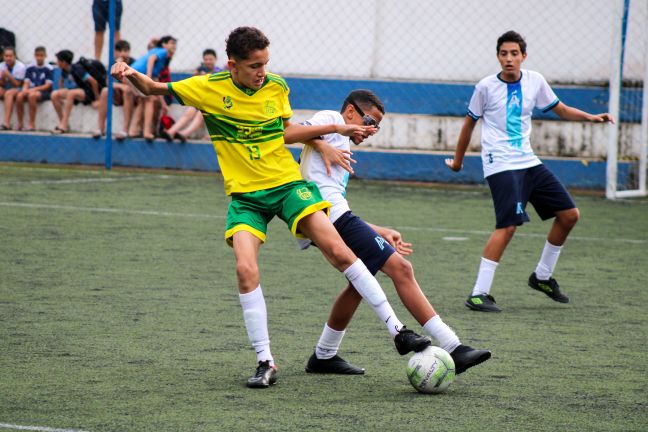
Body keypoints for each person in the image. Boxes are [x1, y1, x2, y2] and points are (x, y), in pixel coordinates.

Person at [111, 26, 431, 389]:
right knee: (246, 269)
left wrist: (331, 135)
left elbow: (284, 131)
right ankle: (265, 361)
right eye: (254, 66)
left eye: (265, 63)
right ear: (232, 65)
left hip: (287, 186)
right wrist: (129, 71)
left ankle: (398, 332)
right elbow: (154, 89)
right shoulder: (207, 87)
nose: (262, 72)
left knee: (339, 250)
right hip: (246, 197)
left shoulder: (275, 86)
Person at [298, 89, 491, 375]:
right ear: (350, 112)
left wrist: (378, 230)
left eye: (377, 125)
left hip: (333, 217)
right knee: (401, 268)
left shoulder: (344, 144)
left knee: (360, 283)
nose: (371, 130)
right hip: (328, 217)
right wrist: (323, 143)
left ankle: (324, 355)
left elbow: (337, 201)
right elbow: (289, 132)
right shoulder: (331, 119)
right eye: (368, 121)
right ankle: (453, 346)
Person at [445, 31, 614, 312]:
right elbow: (468, 126)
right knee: (508, 226)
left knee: (569, 215)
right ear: (498, 57)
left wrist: (591, 117)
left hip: (528, 161)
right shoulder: (485, 87)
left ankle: (542, 277)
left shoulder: (535, 81)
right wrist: (458, 162)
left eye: (514, 53)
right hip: (499, 164)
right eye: (503, 54)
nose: (509, 59)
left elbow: (560, 109)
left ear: (524, 56)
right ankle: (478, 293)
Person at [160, 48, 222, 143]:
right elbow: (194, 85)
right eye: (206, 59)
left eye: (210, 59)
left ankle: (184, 134)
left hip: (212, 102)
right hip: (201, 100)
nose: (208, 61)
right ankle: (171, 132)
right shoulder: (201, 70)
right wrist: (197, 75)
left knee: (201, 114)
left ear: (215, 59)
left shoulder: (219, 72)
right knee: (190, 111)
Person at [127, 35, 177, 141]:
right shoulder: (163, 51)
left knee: (143, 100)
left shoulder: (162, 56)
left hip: (132, 73)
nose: (174, 45)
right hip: (137, 73)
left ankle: (133, 130)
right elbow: (151, 59)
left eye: (175, 43)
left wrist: (163, 104)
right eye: (171, 43)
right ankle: (146, 132)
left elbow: (156, 82)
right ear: (164, 44)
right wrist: (148, 77)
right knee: (150, 99)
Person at [50, 51, 106, 134]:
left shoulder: (77, 69)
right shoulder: (64, 70)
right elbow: (61, 81)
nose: (57, 62)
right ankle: (63, 122)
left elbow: (93, 82)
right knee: (54, 94)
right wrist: (61, 95)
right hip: (80, 89)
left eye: (58, 61)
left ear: (64, 62)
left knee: (71, 93)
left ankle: (63, 126)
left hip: (89, 91)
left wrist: (96, 99)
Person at [93, 39, 135, 140]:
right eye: (120, 51)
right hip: (119, 94)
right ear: (116, 52)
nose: (123, 53)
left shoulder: (134, 63)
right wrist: (120, 86)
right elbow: (108, 82)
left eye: (126, 51)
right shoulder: (113, 63)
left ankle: (124, 130)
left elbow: (132, 84)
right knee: (105, 91)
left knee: (127, 91)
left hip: (132, 95)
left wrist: (123, 68)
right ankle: (100, 129)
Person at [15, 46, 53, 131]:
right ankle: (20, 123)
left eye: (41, 55)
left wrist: (33, 90)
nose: (39, 57)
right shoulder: (30, 67)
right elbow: (26, 82)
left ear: (45, 56)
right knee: (19, 96)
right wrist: (24, 89)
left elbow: (47, 85)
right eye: (37, 55)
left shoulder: (49, 68)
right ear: (34, 55)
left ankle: (32, 124)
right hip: (31, 90)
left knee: (32, 96)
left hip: (44, 92)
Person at [0, 46, 27, 130]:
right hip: (6, 87)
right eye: (6, 56)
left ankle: (6, 123)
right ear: (3, 57)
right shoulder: (1, 66)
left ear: (15, 56)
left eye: (10, 56)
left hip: (18, 89)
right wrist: (3, 78)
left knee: (9, 93)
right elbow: (2, 83)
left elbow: (17, 84)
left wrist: (8, 75)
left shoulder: (20, 66)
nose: (8, 58)